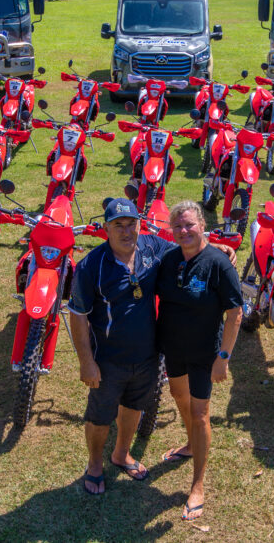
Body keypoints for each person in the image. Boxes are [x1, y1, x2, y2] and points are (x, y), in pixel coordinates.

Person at [67, 198, 171, 495]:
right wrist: (87, 363)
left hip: (148, 356)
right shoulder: (91, 267)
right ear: (106, 229)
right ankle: (95, 464)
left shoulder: (152, 248)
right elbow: (78, 315)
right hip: (108, 360)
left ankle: (121, 453)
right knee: (100, 416)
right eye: (118, 226)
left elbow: (188, 251)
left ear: (140, 225)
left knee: (134, 407)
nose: (126, 232)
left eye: (131, 224)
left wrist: (216, 251)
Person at [154, 200, 243, 521]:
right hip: (173, 348)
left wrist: (223, 357)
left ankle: (198, 485)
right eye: (177, 226)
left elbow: (235, 312)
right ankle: (191, 443)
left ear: (203, 225)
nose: (183, 231)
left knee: (200, 412)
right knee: (179, 396)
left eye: (189, 225)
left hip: (206, 352)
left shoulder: (219, 264)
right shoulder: (169, 259)